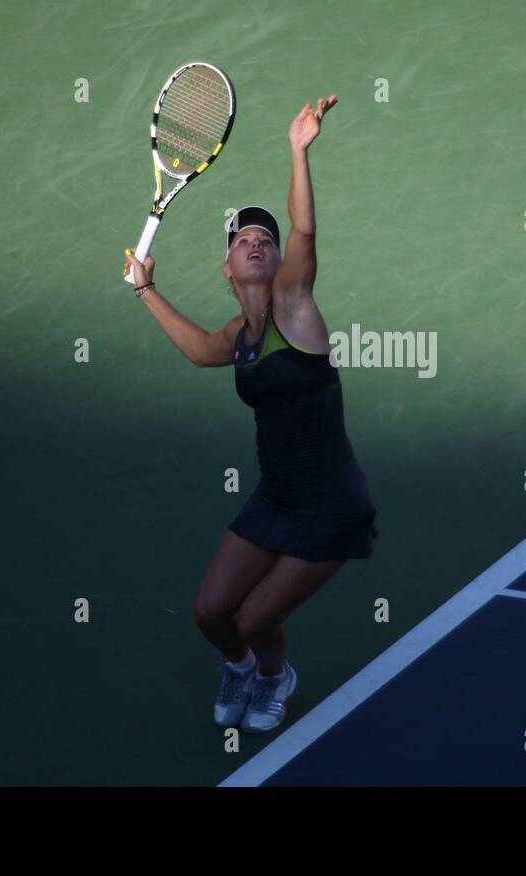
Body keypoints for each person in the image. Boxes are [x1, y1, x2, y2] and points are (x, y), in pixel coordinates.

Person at [124, 94, 377, 733]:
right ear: (229, 266)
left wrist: (298, 151)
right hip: (277, 497)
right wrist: (147, 290)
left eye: (266, 238)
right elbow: (201, 351)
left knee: (254, 619)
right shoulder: (239, 333)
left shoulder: (294, 307)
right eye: (244, 240)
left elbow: (306, 231)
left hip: (331, 504)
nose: (259, 244)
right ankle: (240, 667)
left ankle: (272, 677)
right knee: (210, 614)